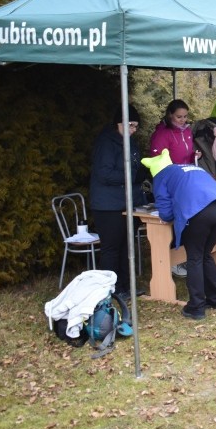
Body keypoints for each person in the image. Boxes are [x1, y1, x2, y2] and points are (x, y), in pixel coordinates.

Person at [141, 150, 216, 320]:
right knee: (205, 255)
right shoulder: (191, 168)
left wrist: (168, 214)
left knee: (195, 258)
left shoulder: (161, 176)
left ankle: (196, 307)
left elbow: (165, 211)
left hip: (200, 211)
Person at [89, 105, 146, 299]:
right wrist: (131, 176)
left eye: (135, 126)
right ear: (117, 124)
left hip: (124, 203)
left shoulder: (130, 143)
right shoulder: (106, 143)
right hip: (107, 206)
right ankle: (110, 290)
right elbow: (104, 174)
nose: (132, 129)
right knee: (112, 249)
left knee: (125, 247)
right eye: (129, 124)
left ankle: (125, 287)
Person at [150, 99, 197, 278]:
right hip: (171, 183)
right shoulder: (162, 134)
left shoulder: (187, 132)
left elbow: (186, 153)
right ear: (170, 115)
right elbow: (158, 161)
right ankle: (172, 259)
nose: (182, 120)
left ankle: (183, 257)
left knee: (187, 219)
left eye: (185, 117)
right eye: (179, 117)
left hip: (186, 180)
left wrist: (195, 155)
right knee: (173, 219)